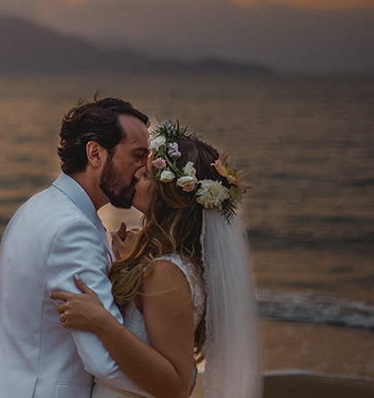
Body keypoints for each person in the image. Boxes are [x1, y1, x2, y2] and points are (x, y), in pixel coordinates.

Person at [50, 121, 263, 398]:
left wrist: (100, 321)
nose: (138, 174)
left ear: (171, 195)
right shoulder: (162, 263)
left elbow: (177, 385)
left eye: (148, 173)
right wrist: (132, 261)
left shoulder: (166, 271)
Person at [0, 97, 151, 398]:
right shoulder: (74, 230)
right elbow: (104, 361)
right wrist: (172, 379)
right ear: (95, 153)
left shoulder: (37, 206)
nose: (143, 169)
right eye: (138, 155)